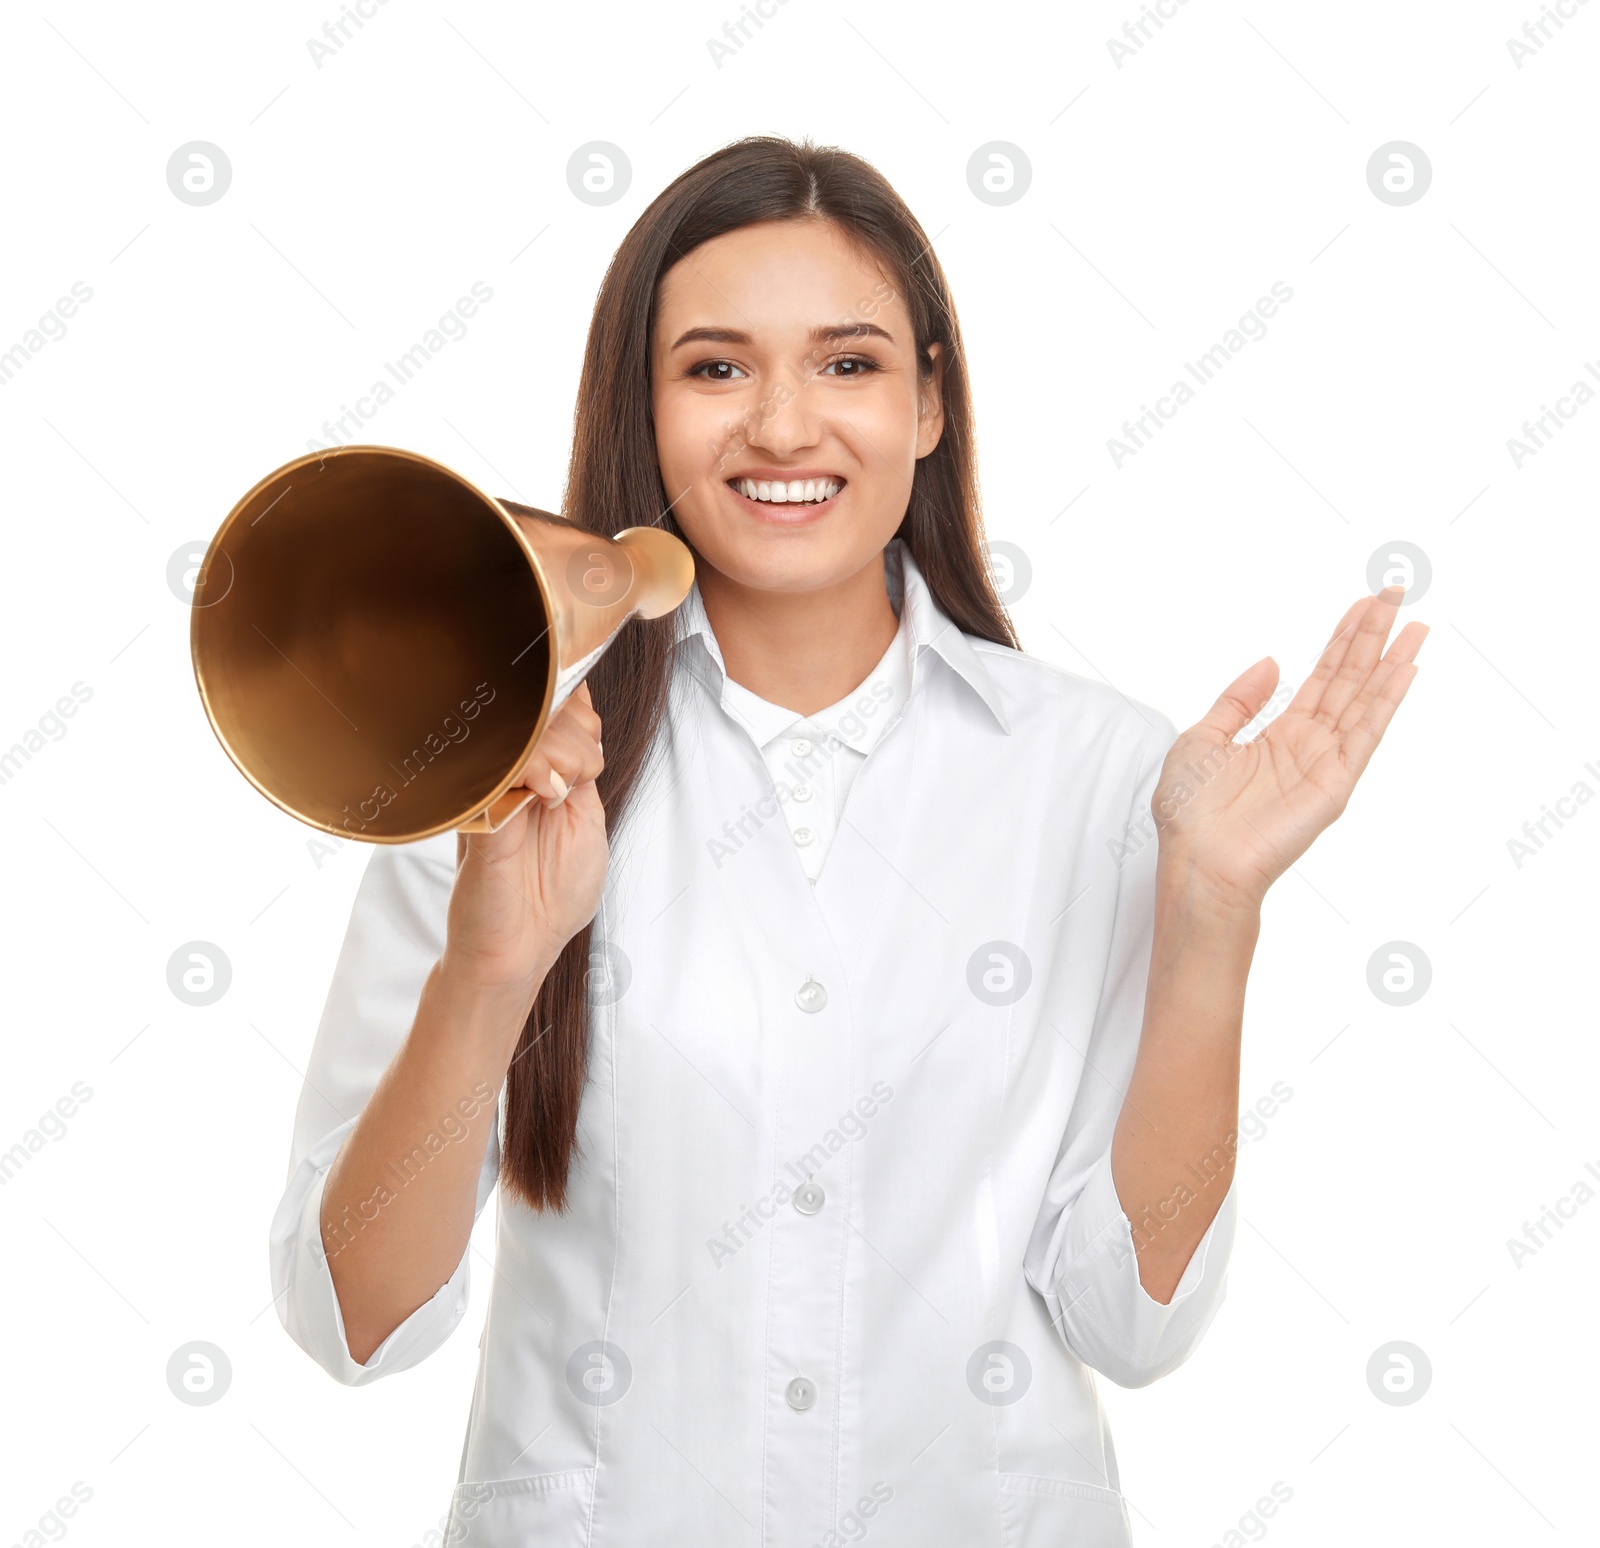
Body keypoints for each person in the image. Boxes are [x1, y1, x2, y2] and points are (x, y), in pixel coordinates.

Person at [269, 134, 1427, 1547]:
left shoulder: (1106, 775)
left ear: (931, 402)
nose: (780, 426)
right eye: (714, 367)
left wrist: (1213, 917)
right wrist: (492, 969)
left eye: (848, 363)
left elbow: (1134, 1325)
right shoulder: (495, 774)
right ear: (643, 406)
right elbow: (360, 1324)